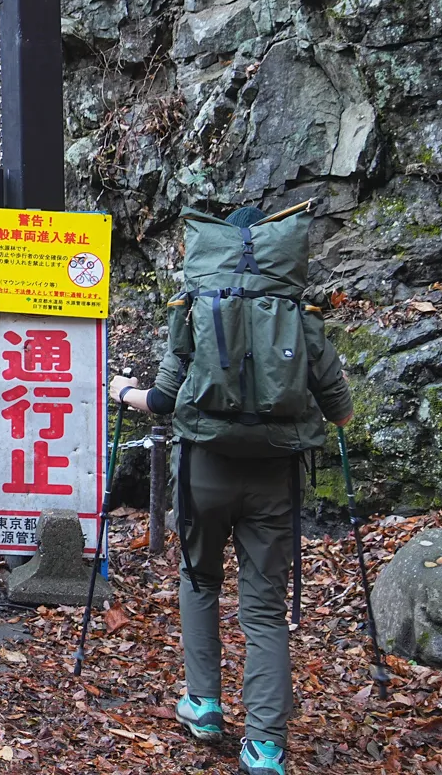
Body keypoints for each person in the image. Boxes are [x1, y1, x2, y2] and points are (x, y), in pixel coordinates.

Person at [110, 205, 355, 775]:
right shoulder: (300, 316)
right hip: (276, 477)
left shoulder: (196, 308)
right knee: (264, 609)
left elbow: (166, 401)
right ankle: (265, 746)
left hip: (205, 471)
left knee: (198, 581)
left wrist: (123, 393)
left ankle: (204, 704)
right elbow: (340, 412)